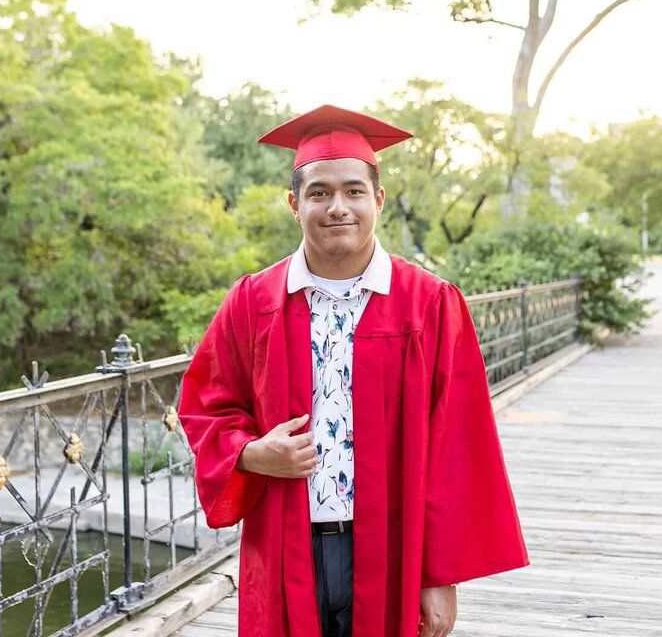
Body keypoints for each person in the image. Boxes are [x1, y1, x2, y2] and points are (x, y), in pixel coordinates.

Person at [177, 105, 528, 637]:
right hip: (284, 545)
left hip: (392, 549)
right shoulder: (254, 301)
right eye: (319, 192)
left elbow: (457, 445)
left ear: (378, 200)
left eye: (353, 191)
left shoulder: (428, 304)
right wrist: (251, 453)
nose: (337, 206)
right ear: (294, 204)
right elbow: (205, 407)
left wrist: (441, 577)